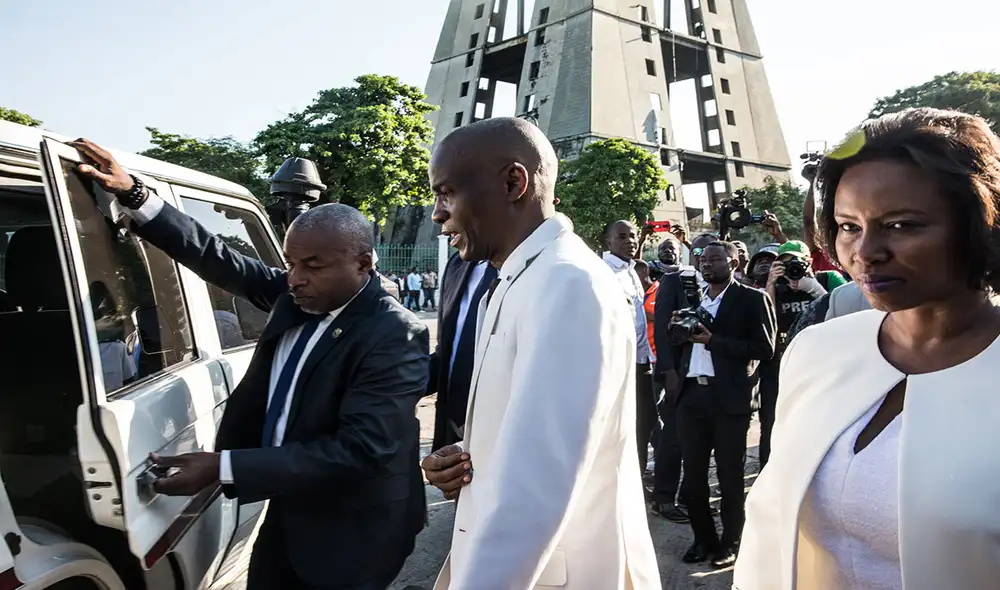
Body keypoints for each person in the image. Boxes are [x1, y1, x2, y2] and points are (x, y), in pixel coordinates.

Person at [71, 139, 429, 590]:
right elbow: (217, 257)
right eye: (291, 263)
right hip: (288, 509)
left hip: (353, 528)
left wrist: (222, 466)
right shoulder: (298, 294)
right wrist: (136, 196)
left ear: (363, 263)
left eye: (312, 265)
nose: (295, 277)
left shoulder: (394, 334)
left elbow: (360, 450)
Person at [735, 108, 1000, 589]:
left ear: (980, 222)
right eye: (848, 226)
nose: (865, 252)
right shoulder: (816, 351)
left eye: (901, 225)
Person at [420, 117, 659, 589]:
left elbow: (535, 487)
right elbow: (538, 434)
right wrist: (471, 456)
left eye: (446, 192)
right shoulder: (519, 278)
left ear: (513, 182)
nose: (436, 214)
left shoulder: (568, 282)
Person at [667, 240, 776, 568]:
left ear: (734, 262)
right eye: (703, 259)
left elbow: (765, 348)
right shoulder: (694, 298)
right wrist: (677, 329)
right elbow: (679, 344)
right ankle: (704, 540)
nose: (707, 264)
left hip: (729, 399)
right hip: (692, 398)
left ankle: (732, 542)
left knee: (729, 478)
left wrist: (713, 341)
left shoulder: (752, 298)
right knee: (694, 477)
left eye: (716, 258)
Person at [427, 251, 496, 452]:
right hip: (453, 440)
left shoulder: (537, 270)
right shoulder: (459, 264)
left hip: (500, 442)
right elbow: (446, 355)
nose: (439, 218)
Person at [603, 220, 656, 471]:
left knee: (645, 423)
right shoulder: (605, 271)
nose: (629, 242)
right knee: (625, 425)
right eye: (622, 237)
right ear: (609, 242)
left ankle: (638, 474)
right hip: (620, 363)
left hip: (641, 360)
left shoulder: (631, 270)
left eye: (633, 236)